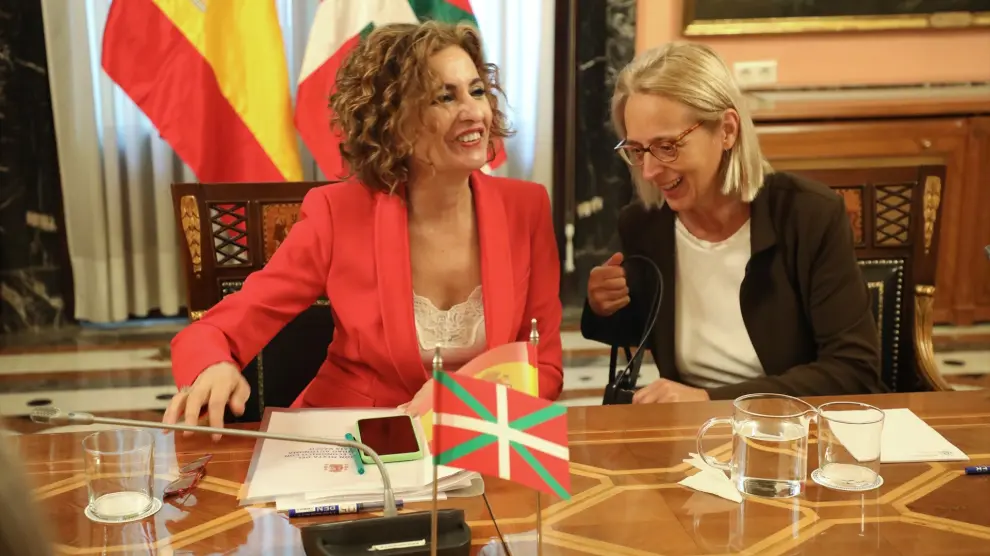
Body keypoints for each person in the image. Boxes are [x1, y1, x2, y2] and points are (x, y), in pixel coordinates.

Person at [164, 21, 563, 431]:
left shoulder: (527, 208)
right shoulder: (337, 214)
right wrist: (212, 365)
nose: (475, 112)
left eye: (476, 91)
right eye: (445, 97)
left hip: (479, 438)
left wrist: (462, 400)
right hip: (353, 437)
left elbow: (544, 368)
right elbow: (217, 329)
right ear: (396, 125)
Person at [582, 42, 885, 403]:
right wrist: (603, 305)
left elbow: (854, 370)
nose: (648, 171)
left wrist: (710, 400)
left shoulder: (808, 215)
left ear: (726, 130)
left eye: (667, 147)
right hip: (690, 430)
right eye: (637, 150)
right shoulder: (644, 225)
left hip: (796, 426)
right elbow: (637, 330)